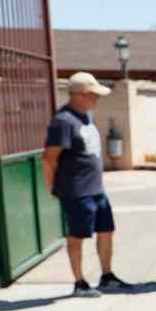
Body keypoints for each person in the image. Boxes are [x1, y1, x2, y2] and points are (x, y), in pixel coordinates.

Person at [42, 72, 130, 298]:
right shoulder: (63, 121)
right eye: (93, 95)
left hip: (96, 190)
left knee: (106, 231)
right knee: (77, 237)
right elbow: (50, 158)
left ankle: (107, 276)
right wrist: (53, 188)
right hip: (77, 191)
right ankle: (79, 283)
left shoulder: (85, 116)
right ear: (80, 95)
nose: (96, 100)